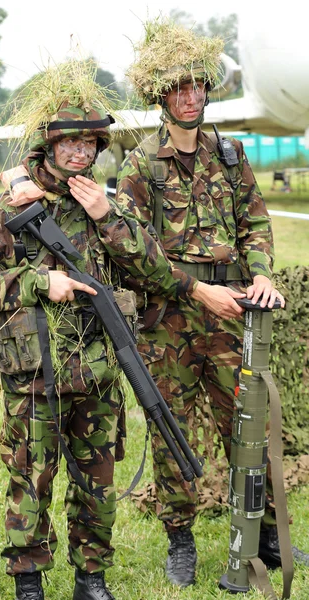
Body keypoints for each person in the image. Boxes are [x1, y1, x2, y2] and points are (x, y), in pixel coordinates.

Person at [0, 60, 181, 600]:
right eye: (69, 143)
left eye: (90, 145)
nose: (79, 154)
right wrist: (37, 281)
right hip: (35, 373)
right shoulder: (15, 208)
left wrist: (109, 219)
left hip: (99, 370)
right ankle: (28, 579)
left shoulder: (110, 204)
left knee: (97, 482)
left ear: (100, 150)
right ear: (49, 146)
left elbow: (154, 273)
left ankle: (90, 578)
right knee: (31, 478)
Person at [115, 17, 308, 587]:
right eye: (179, 87)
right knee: (171, 430)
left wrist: (262, 274)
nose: (191, 95)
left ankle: (266, 534)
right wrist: (197, 288)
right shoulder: (139, 165)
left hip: (232, 317)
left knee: (250, 426)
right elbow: (132, 249)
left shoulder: (229, 154)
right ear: (161, 95)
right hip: (170, 318)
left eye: (198, 84)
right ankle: (181, 541)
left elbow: (254, 222)